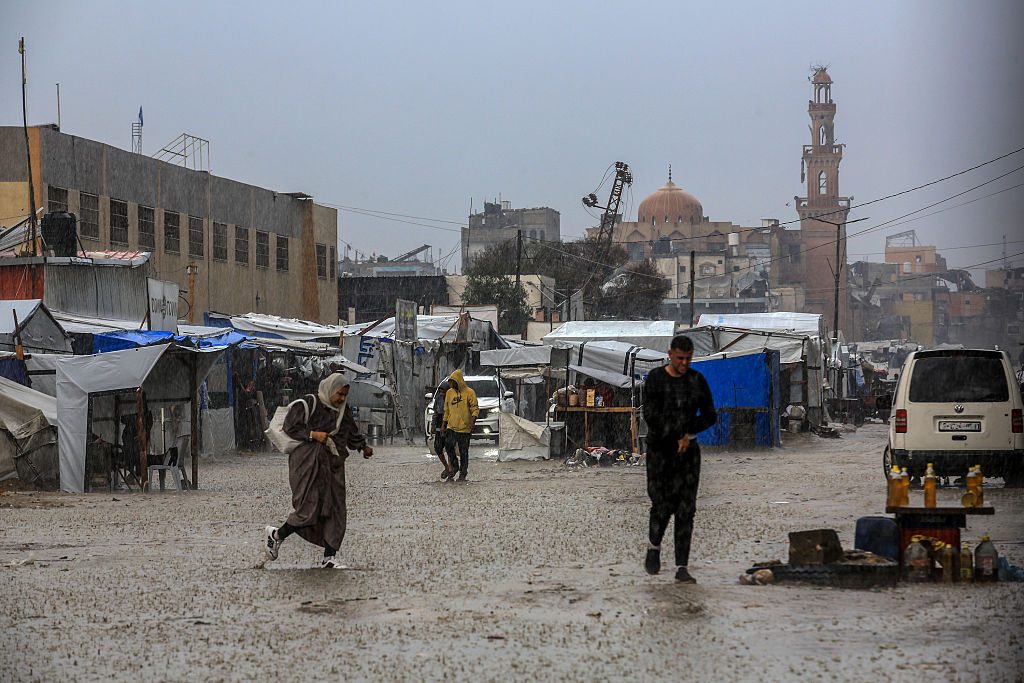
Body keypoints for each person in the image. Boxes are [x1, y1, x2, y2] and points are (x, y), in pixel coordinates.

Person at [264, 373, 373, 568]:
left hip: (333, 465)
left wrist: (363, 447)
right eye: (339, 394)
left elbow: (351, 431)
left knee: (335, 510)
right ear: (330, 389)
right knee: (309, 507)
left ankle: (328, 558)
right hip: (307, 463)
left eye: (344, 395)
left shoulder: (342, 411)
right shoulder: (308, 403)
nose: (341, 399)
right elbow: (290, 426)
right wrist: (313, 434)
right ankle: (276, 535)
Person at [641, 335, 717, 583]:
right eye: (680, 358)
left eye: (688, 358)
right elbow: (650, 415)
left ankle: (682, 567)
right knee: (662, 505)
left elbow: (710, 415)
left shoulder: (697, 381)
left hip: (688, 456)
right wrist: (676, 435)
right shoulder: (655, 379)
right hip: (659, 453)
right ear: (670, 354)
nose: (684, 363)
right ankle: (654, 548)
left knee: (686, 510)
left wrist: (690, 433)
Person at [442, 369, 478, 482]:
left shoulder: (470, 392)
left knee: (463, 452)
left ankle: (463, 473)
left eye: (454, 382)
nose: (452, 384)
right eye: (451, 382)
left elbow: (475, 409)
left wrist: (472, 422)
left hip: (465, 429)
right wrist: (444, 424)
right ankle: (455, 466)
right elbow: (446, 410)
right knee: (448, 447)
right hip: (451, 427)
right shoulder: (449, 393)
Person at [431, 380, 456, 480]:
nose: (442, 394)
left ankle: (450, 469)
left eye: (443, 392)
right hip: (438, 426)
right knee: (438, 448)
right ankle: (446, 467)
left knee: (449, 448)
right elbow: (435, 413)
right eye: (440, 392)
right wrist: (433, 425)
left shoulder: (453, 399)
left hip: (450, 426)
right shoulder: (438, 399)